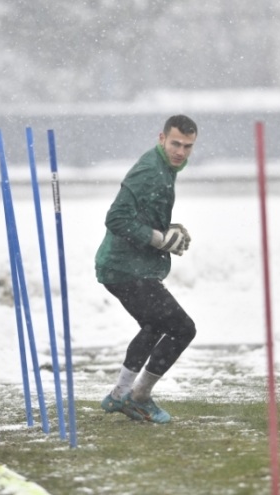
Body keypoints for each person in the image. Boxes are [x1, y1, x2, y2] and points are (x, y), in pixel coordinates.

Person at [94, 115, 198, 424]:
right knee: (182, 328)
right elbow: (116, 218)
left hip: (131, 266)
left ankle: (117, 397)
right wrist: (158, 239)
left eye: (188, 146)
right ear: (161, 138)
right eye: (175, 143)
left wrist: (169, 231)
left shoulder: (165, 167)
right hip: (124, 268)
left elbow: (141, 214)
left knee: (155, 326)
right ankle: (138, 398)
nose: (180, 151)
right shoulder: (150, 171)